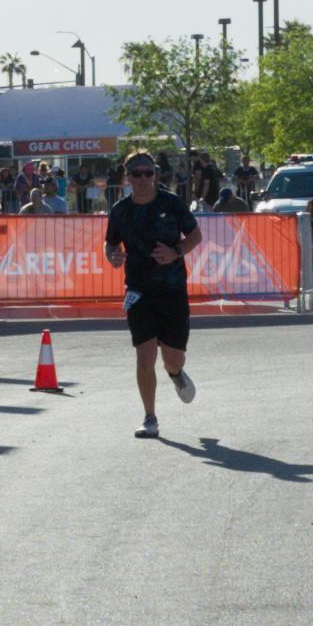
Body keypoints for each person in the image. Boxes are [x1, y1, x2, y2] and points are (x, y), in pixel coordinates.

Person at [104, 150, 201, 437]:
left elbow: (195, 236)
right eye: (137, 174)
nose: (143, 179)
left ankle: (175, 373)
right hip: (139, 290)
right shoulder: (120, 210)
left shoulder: (172, 204)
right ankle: (150, 417)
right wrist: (112, 255)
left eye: (148, 173)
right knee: (144, 355)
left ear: (156, 175)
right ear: (127, 177)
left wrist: (175, 252)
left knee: (173, 358)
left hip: (172, 289)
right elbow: (110, 243)